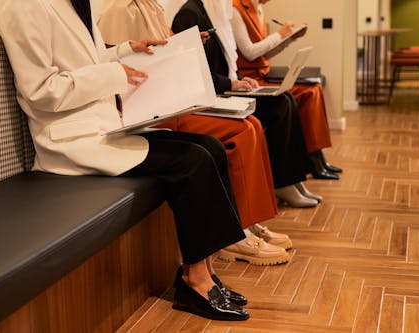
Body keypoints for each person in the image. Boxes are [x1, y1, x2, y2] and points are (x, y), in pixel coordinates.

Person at [0, 0, 250, 321]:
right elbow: (42, 92)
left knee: (210, 147)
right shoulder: (24, 8)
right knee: (192, 160)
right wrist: (113, 72)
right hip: (72, 140)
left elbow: (84, 61)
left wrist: (124, 51)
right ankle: (195, 281)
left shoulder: (78, 4)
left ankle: (206, 270)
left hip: (105, 127)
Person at [98, 0, 324, 265]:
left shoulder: (155, 8)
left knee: (251, 124)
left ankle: (249, 223)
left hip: (174, 99)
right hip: (153, 109)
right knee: (242, 131)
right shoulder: (124, 10)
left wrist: (185, 48)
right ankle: (238, 234)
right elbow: (123, 70)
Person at [171, 0, 324, 215]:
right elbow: (193, 72)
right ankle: (282, 183)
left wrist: (241, 79)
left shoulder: (217, 14)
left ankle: (293, 179)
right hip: (213, 95)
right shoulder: (190, 14)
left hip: (225, 88)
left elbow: (227, 65)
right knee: (279, 106)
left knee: (286, 99)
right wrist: (231, 83)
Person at [231, 0, 342, 180]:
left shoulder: (258, 9)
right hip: (250, 78)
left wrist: (290, 38)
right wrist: (279, 35)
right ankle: (312, 161)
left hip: (262, 73)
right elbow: (250, 52)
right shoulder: (236, 10)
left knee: (313, 89)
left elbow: (265, 53)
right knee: (304, 93)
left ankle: (317, 156)